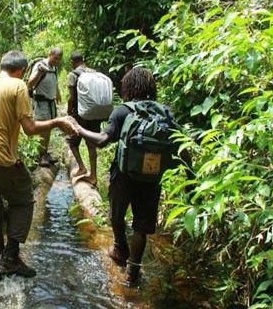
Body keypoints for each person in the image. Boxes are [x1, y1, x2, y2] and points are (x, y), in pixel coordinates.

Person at [0, 50, 77, 282]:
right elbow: (30, 128)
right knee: (24, 197)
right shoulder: (17, 86)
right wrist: (57, 122)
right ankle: (11, 257)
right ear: (22, 71)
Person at [70, 67, 189, 286]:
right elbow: (183, 146)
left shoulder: (123, 111)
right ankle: (133, 272)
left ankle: (119, 248)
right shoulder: (165, 112)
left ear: (128, 87)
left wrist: (79, 128)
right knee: (141, 227)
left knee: (117, 215)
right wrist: (191, 184)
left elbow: (103, 140)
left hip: (123, 175)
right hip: (152, 179)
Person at [66, 51, 103, 186]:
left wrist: (69, 112)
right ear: (83, 60)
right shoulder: (94, 72)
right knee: (91, 144)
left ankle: (81, 167)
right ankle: (93, 176)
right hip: (95, 113)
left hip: (80, 114)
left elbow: (71, 98)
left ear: (72, 62)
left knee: (71, 141)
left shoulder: (73, 75)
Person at [27, 47, 63, 167]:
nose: (57, 61)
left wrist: (57, 94)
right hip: (41, 102)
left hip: (51, 103)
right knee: (42, 130)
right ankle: (40, 156)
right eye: (55, 58)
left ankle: (45, 153)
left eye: (59, 59)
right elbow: (30, 83)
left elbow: (55, 82)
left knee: (49, 129)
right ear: (50, 54)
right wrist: (39, 72)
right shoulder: (40, 65)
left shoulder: (54, 68)